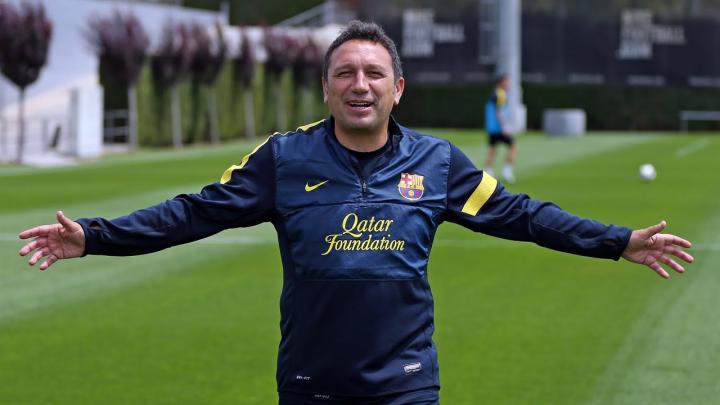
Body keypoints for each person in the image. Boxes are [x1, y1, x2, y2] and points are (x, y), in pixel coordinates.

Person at [18, 21, 693, 405]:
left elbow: (523, 215)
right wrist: (95, 237)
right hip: (312, 381)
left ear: (398, 88)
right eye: (345, 73)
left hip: (406, 384)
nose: (359, 84)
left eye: (373, 74)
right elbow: (195, 213)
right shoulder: (283, 159)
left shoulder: (438, 163)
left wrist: (617, 241)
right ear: (326, 88)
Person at [484, 74, 517, 183]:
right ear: (501, 82)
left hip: (492, 128)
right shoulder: (500, 94)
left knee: (492, 149)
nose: (509, 84)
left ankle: (488, 171)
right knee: (513, 147)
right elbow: (499, 112)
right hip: (499, 128)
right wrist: (504, 128)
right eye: (507, 81)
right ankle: (507, 171)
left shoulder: (495, 93)